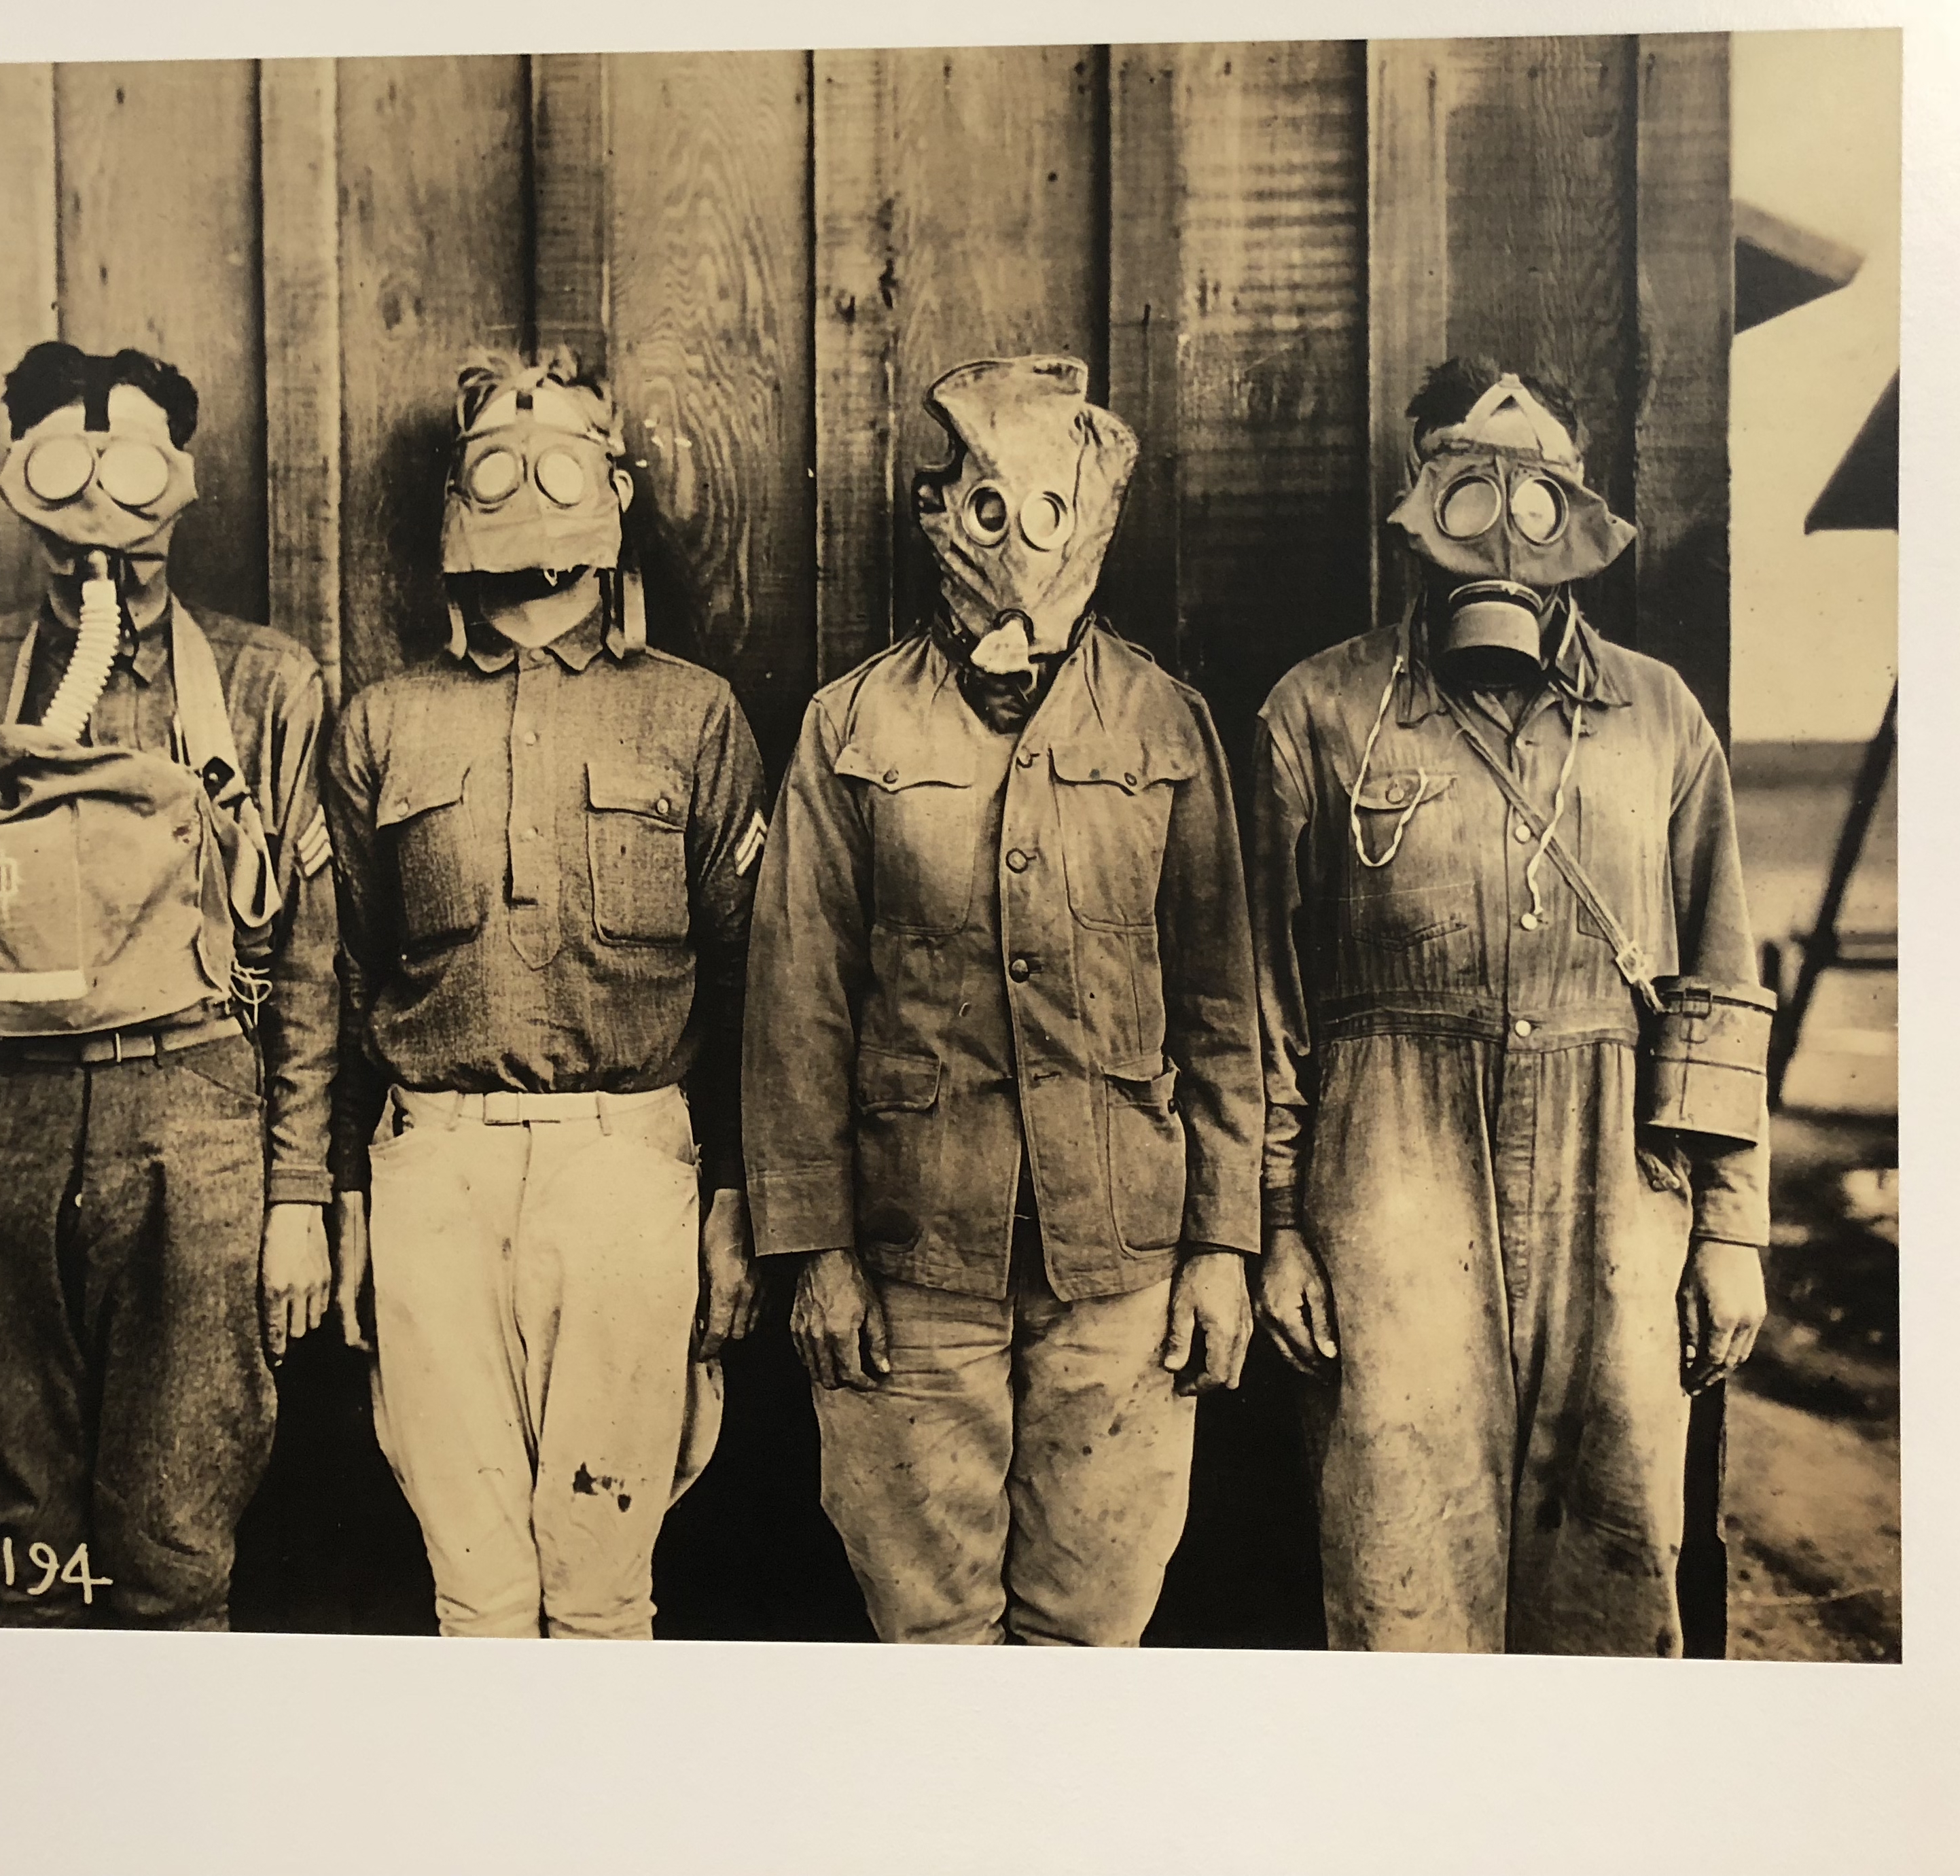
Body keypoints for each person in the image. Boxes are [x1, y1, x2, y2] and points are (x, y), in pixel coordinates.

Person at [1247, 356, 1772, 1657]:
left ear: (1574, 507)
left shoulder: (1658, 716)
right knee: (1399, 1562)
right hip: (1388, 1179)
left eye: (1536, 490)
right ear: (1415, 500)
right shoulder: (1319, 712)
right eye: (1463, 482)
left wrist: (1730, 1229)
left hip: (1618, 1182)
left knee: (1616, 1552)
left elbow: (1717, 980)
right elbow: (1258, 1000)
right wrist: (1276, 1226)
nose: (1500, 525)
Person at [743, 354, 1260, 1646]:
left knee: (1091, 1643)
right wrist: (818, 1256)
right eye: (989, 505)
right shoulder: (852, 728)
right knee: (933, 1645)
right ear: (941, 516)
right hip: (912, 1263)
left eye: (1047, 508)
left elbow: (1220, 1008)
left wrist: (1221, 1247)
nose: (1018, 541)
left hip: (1123, 1269)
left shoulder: (1167, 726)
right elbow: (797, 1011)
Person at [0, 341, 338, 1629]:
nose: (100, 512)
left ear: (182, 480)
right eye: (66, 470)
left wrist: (295, 1195)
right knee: (27, 1560)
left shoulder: (266, 685)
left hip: (193, 1130)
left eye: (134, 471)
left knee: (175, 1553)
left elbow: (311, 966)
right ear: (22, 481)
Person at [322, 348, 766, 1640]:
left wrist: (737, 1201)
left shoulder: (694, 718)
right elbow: (340, 982)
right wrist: (345, 1200)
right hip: (434, 1173)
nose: (530, 489)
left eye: (563, 463)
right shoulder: (384, 724)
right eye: (497, 468)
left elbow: (753, 983)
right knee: (477, 1592)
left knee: (604, 1588)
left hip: (627, 1168)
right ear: (457, 499)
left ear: (613, 489)